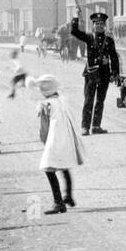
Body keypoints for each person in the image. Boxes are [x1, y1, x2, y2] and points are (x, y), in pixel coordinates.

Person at [33, 75, 85, 214]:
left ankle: (58, 202)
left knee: (48, 168)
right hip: (67, 138)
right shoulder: (62, 101)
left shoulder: (46, 104)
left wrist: (45, 141)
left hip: (55, 139)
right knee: (63, 165)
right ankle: (68, 195)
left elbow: (44, 128)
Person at [70, 11, 120, 135]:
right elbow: (74, 32)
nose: (99, 26)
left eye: (101, 24)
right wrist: (75, 17)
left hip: (104, 74)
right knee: (88, 100)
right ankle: (85, 127)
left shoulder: (109, 40)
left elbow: (114, 57)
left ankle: (96, 126)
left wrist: (114, 73)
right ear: (93, 25)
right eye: (96, 24)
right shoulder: (89, 37)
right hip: (91, 73)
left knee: (100, 100)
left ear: (105, 26)